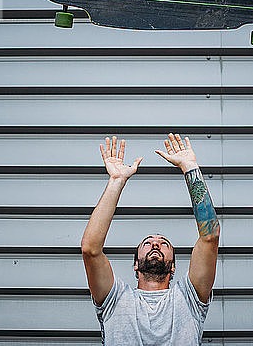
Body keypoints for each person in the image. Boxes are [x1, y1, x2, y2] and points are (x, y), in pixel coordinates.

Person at [81, 133, 220, 345]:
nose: (155, 244)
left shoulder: (190, 299)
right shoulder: (115, 298)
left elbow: (210, 236)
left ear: (173, 266)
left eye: (164, 244)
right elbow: (90, 250)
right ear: (136, 265)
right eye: (147, 243)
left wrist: (190, 167)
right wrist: (116, 181)